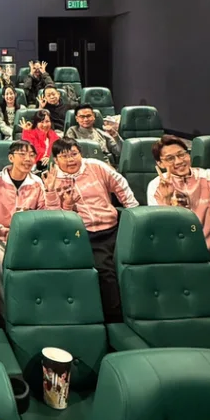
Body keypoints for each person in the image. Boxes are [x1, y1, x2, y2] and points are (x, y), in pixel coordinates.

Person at [44, 138, 138, 322]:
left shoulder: (96, 166)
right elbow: (55, 218)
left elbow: (121, 186)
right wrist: (53, 193)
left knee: (134, 267)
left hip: (113, 227)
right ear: (55, 159)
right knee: (106, 271)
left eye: (74, 154)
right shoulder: (52, 178)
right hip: (82, 234)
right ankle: (116, 320)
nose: (71, 159)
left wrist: (134, 214)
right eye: (64, 156)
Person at [147, 136, 210, 299]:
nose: (179, 161)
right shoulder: (156, 186)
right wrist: (166, 200)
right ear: (160, 163)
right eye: (170, 158)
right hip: (179, 254)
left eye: (182, 154)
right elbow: (162, 228)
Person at [0, 140, 46, 313]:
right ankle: (5, 312)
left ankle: (34, 309)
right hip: (1, 238)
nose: (28, 159)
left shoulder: (37, 183)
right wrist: (3, 232)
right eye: (22, 154)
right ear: (11, 158)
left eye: (32, 155)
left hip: (29, 239)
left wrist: (29, 233)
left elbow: (44, 213)